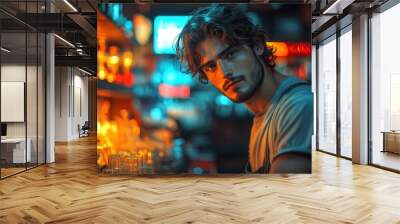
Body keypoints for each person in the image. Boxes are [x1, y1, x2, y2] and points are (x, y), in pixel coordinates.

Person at [175, 4, 313, 173]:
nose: (224, 72)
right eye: (211, 66)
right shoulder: (264, 114)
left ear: (257, 45)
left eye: (230, 54)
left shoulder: (298, 106)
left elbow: (281, 196)